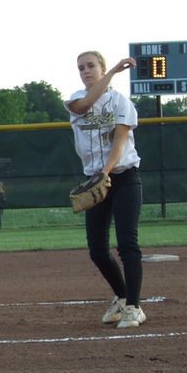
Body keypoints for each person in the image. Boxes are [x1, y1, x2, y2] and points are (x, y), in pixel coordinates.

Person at [67, 51, 145, 329]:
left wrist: (105, 172)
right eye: (81, 68)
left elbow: (119, 143)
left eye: (91, 66)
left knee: (127, 244)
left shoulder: (121, 102)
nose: (85, 71)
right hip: (95, 180)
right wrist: (111, 71)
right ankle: (122, 297)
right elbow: (85, 104)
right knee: (97, 250)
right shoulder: (75, 99)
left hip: (124, 178)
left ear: (101, 69)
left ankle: (134, 307)